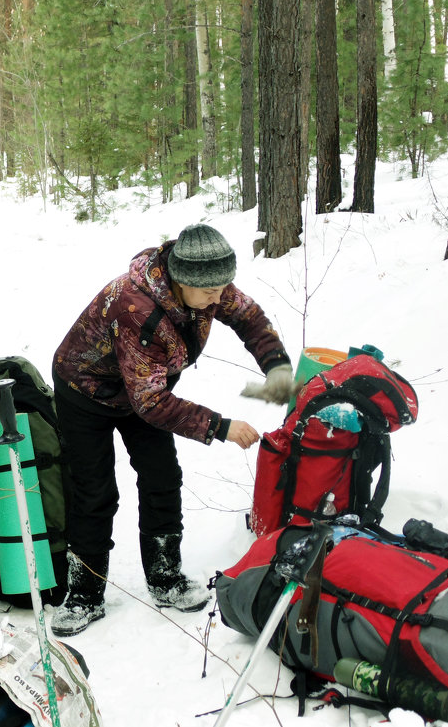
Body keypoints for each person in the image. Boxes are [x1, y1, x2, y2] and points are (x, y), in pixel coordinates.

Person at [49, 223, 293, 637]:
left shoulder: (206, 284)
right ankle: (85, 594)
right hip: (86, 391)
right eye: (212, 293)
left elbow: (249, 317)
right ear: (181, 281)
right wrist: (220, 426)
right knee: (94, 491)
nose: (220, 298)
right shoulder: (137, 310)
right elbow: (152, 405)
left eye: (223, 288)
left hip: (145, 388)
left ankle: (165, 577)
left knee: (162, 476)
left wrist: (277, 367)